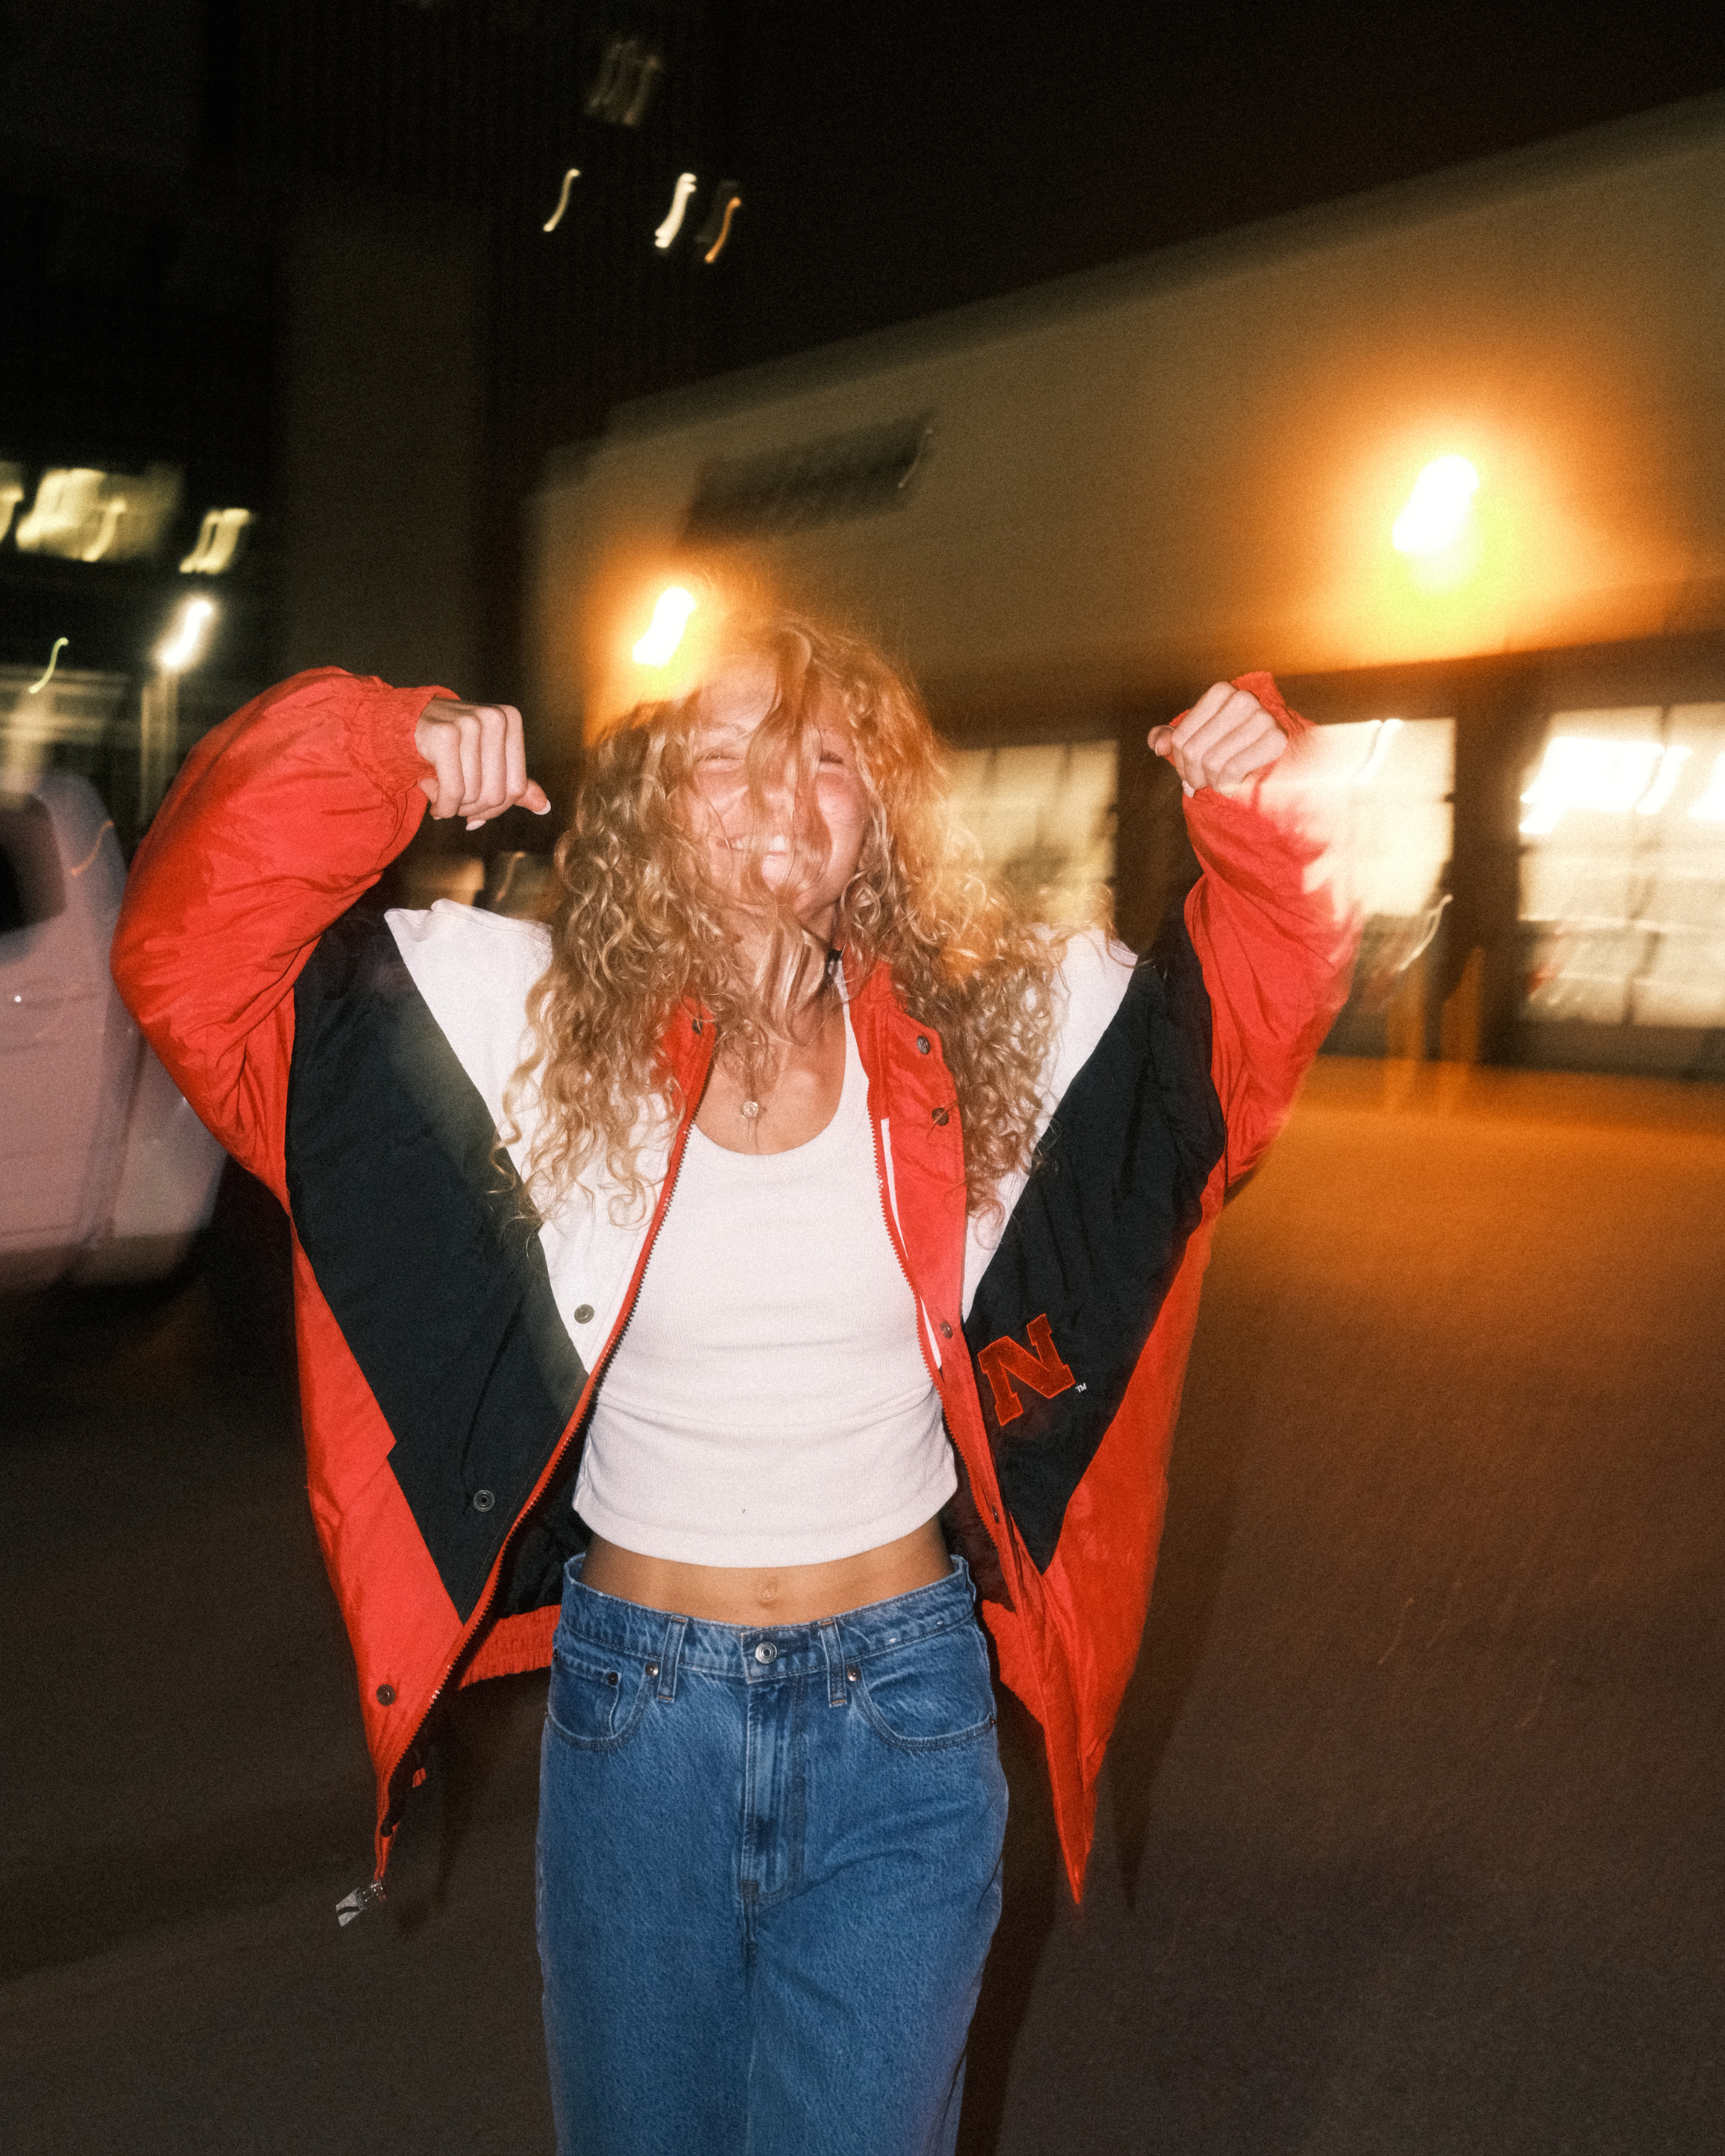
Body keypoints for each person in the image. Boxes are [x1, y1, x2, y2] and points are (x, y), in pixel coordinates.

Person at [111, 610, 1354, 2155]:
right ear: (653, 799)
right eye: (732, 756)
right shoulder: (511, 1015)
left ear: (877, 809)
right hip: (640, 1722)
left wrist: (1256, 804)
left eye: (828, 757)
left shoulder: (1001, 1030)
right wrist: (376, 751)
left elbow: (1241, 1029)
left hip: (903, 1716)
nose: (783, 794)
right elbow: (189, 954)